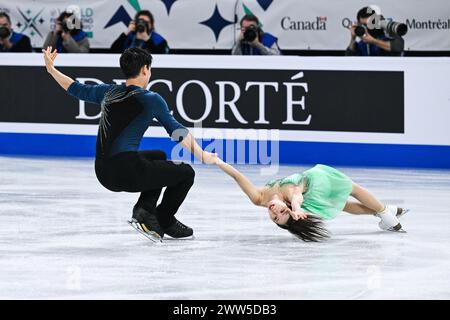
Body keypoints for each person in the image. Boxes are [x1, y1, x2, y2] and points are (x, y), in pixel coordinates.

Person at [42, 46, 217, 241]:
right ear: (145, 69)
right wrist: (203, 155)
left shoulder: (108, 92)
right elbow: (177, 132)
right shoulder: (150, 99)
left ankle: (145, 210)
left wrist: (51, 70)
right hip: (127, 172)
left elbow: (75, 88)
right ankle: (164, 219)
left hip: (103, 172)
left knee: (158, 156)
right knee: (186, 173)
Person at [214, 159, 408, 242]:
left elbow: (238, 177)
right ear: (288, 207)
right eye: (282, 213)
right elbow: (296, 197)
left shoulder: (258, 199)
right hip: (316, 182)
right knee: (350, 194)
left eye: (274, 216)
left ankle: (384, 211)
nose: (275, 211)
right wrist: (296, 208)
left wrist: (218, 162)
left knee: (348, 199)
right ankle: (384, 212)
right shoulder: (291, 196)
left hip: (313, 186)